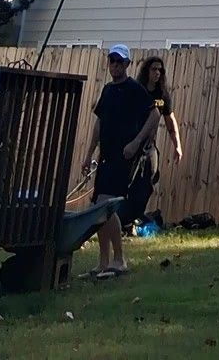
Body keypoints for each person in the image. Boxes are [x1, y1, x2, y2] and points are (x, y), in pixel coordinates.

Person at [81, 44, 160, 277]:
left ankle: (119, 259)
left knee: (107, 206)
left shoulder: (133, 89)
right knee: (98, 206)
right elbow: (99, 123)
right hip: (105, 156)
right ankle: (103, 262)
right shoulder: (107, 91)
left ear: (127, 64)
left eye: (119, 61)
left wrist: (136, 142)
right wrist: (88, 153)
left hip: (124, 156)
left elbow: (154, 114)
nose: (115, 65)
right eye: (112, 61)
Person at [121, 53, 183, 228]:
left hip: (149, 147)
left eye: (160, 70)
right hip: (132, 143)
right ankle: (123, 220)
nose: (157, 73)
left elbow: (171, 122)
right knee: (127, 183)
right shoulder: (136, 90)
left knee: (148, 183)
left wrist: (177, 146)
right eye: (154, 69)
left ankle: (133, 218)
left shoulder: (162, 95)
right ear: (146, 70)